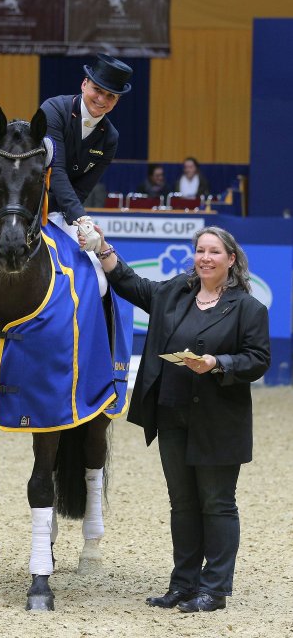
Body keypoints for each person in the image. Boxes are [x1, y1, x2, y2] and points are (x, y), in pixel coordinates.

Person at [79, 224, 270, 613]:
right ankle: (183, 584)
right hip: (171, 413)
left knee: (216, 503)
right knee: (181, 503)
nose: (205, 258)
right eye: (200, 250)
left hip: (219, 420)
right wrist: (102, 249)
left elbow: (258, 358)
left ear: (231, 260)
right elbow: (130, 283)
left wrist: (219, 363)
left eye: (214, 252)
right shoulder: (174, 294)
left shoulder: (248, 308)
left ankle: (214, 589)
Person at [40, 53, 133, 295]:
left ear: (117, 101)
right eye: (97, 90)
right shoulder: (53, 109)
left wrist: (77, 225)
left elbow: (82, 188)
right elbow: (55, 169)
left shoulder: (110, 138)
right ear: (84, 84)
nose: (101, 99)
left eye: (110, 96)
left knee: (100, 282)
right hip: (24, 204)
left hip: (61, 213)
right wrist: (82, 220)